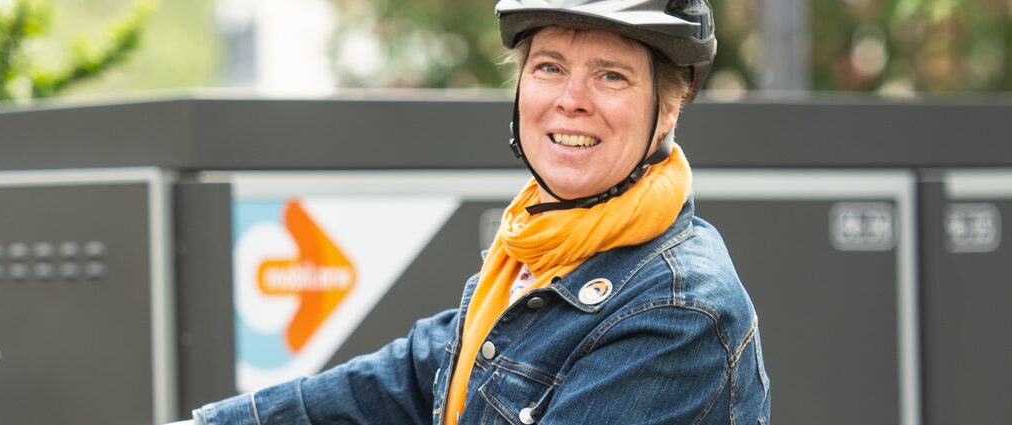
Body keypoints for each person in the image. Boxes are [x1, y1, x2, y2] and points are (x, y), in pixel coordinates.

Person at [183, 1, 768, 424]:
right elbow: (407, 378)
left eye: (611, 76)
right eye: (549, 67)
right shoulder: (536, 252)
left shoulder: (677, 312)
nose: (571, 99)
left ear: (667, 109)